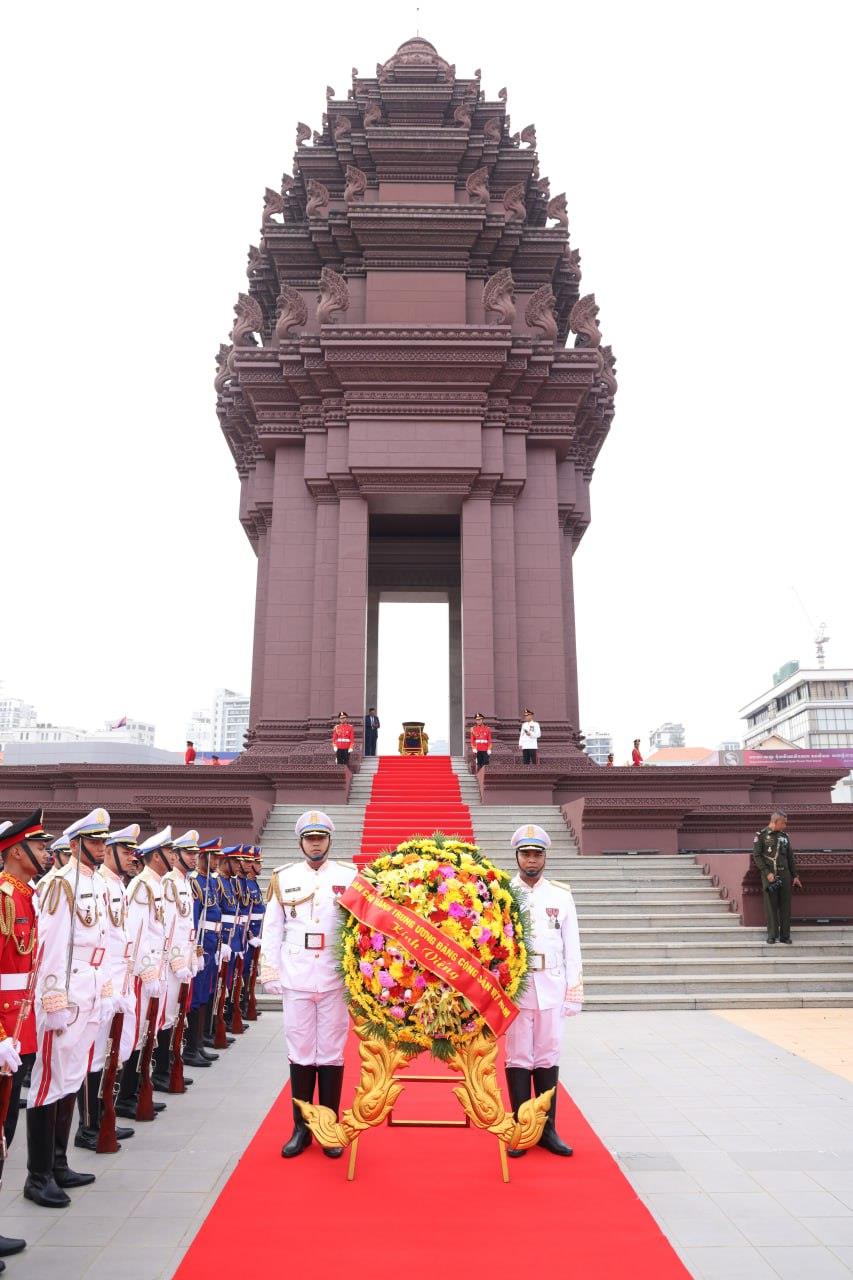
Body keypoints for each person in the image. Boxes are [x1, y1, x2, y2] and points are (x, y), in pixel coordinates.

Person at [26, 807, 112, 1207]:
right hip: (65, 990)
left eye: (103, 841)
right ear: (76, 845)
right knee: (49, 1080)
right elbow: (49, 946)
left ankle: (59, 1163)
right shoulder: (61, 884)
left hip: (90, 987)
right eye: (94, 841)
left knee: (73, 1076)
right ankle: (37, 1175)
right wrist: (53, 999)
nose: (101, 847)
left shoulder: (98, 883)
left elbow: (106, 941)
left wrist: (106, 989)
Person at [260, 810, 356, 1160]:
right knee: (300, 1050)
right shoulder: (284, 877)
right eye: (310, 838)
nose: (315, 844)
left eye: (321, 838)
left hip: (334, 976)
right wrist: (269, 971)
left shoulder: (350, 876)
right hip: (297, 974)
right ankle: (300, 1128)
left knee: (331, 1051)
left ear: (329, 840)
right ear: (300, 842)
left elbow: (360, 927)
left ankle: (328, 1127)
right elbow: (272, 928)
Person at [504, 824, 582, 1159]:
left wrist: (574, 991)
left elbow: (572, 946)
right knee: (518, 1056)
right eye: (526, 854)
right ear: (517, 856)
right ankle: (522, 1128)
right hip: (518, 986)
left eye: (537, 854)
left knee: (548, 1055)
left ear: (545, 857)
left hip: (552, 983)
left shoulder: (560, 896)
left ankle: (547, 1129)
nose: (531, 860)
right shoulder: (505, 892)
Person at [0, 809, 53, 1260]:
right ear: (16, 852)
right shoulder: (3, 899)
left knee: (5, 1130)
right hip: (4, 1032)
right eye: (38, 847)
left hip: (20, 1031)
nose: (46, 853)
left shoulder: (26, 897)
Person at [73, 822, 140, 1152]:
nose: (131, 857)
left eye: (132, 852)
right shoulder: (96, 885)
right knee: (92, 1056)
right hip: (100, 984)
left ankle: (102, 1116)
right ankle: (88, 1125)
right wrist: (108, 987)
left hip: (117, 981)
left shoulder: (117, 886)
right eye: (125, 851)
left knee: (110, 1054)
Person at [116, 828, 170, 1121]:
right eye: (169, 852)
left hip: (157, 969)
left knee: (149, 1032)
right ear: (157, 857)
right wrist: (147, 970)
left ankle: (137, 1089)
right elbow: (136, 934)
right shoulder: (141, 886)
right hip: (141, 974)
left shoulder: (156, 885)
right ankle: (126, 1096)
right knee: (137, 1033)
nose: (174, 856)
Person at [154, 830, 200, 1090]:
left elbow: (187, 927)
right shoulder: (169, 883)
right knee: (166, 1016)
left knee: (176, 1015)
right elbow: (168, 928)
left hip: (184, 960)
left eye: (195, 854)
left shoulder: (184, 882)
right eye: (188, 853)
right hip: (172, 965)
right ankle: (160, 1071)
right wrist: (176, 961)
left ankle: (170, 1065)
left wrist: (192, 957)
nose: (193, 858)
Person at [185, 838, 222, 1067]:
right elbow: (194, 920)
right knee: (197, 996)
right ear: (203, 858)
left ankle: (198, 1044)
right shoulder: (195, 883)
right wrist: (195, 951)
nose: (216, 861)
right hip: (201, 947)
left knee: (207, 993)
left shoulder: (210, 882)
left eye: (217, 857)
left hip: (212, 944)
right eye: (213, 857)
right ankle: (191, 1048)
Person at [752, 812, 802, 945]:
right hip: (770, 876)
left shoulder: (784, 837)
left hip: (785, 874)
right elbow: (757, 856)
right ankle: (772, 935)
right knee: (771, 906)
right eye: (783, 823)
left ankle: (785, 936)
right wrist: (766, 872)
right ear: (775, 822)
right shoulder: (761, 836)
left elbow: (790, 857)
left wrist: (795, 876)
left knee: (786, 906)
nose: (785, 826)